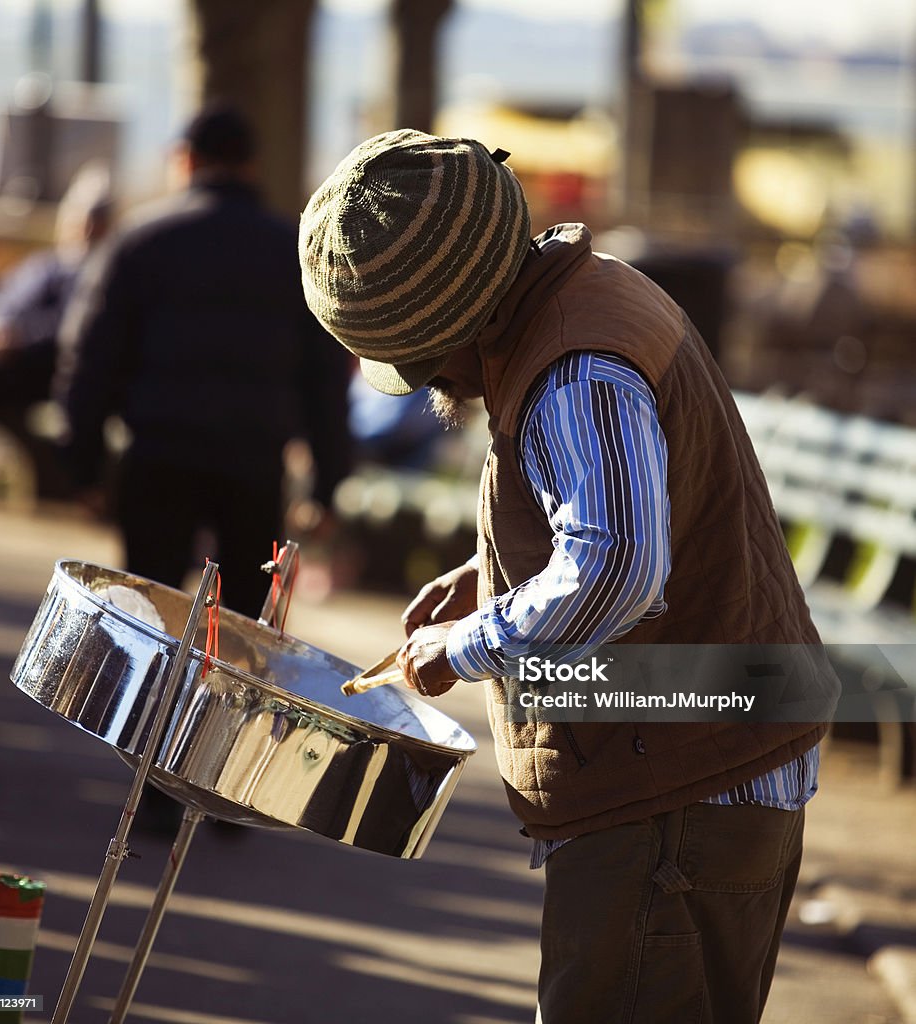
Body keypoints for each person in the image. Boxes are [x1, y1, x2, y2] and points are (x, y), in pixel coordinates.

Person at [298, 130, 837, 1023]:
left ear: (457, 319)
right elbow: (616, 511)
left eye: (425, 359)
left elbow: (619, 566)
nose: (434, 383)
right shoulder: (591, 294)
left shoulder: (573, 368)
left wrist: (463, 647)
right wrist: (487, 575)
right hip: (696, 765)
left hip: (678, 793)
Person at [56, 102, 351, 618]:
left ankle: (154, 700)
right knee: (236, 628)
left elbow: (89, 357)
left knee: (149, 615)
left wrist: (83, 467)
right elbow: (324, 378)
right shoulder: (293, 252)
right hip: (254, 463)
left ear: (185, 160)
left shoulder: (139, 241)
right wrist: (326, 483)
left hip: (157, 455)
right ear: (252, 166)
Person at [0, 165, 112, 499]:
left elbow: (75, 328)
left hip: (43, 367)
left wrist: (18, 337)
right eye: (79, 218)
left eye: (94, 220)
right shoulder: (44, 263)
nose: (84, 227)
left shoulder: (98, 272)